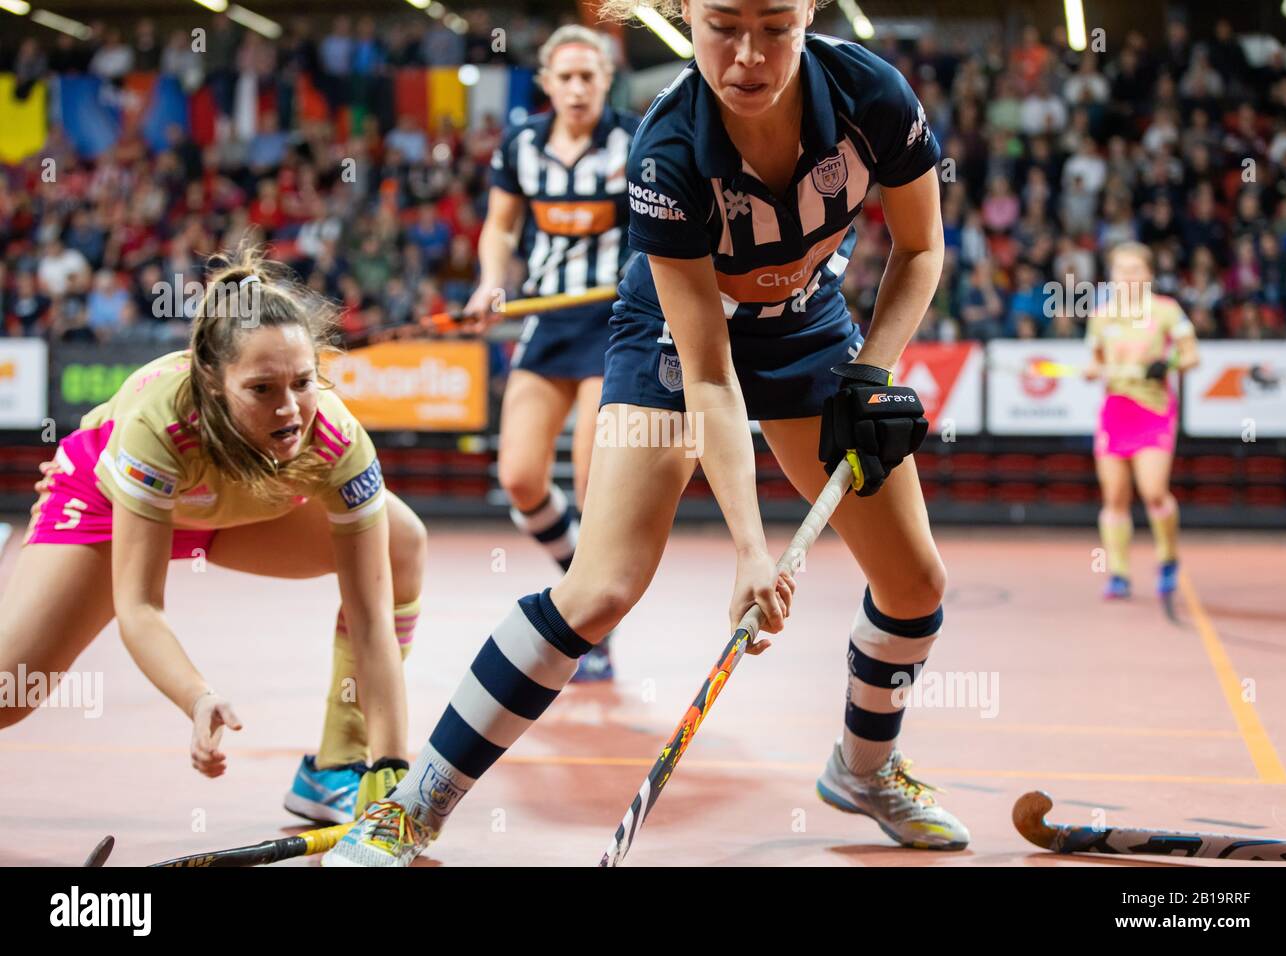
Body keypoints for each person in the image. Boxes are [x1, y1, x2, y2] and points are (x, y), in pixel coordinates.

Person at [325, 0, 966, 866]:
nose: (748, 55)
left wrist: (871, 373)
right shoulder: (667, 149)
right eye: (723, 26)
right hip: (673, 337)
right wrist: (751, 550)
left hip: (810, 331)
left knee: (916, 585)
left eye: (776, 27)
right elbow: (710, 373)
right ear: (685, 15)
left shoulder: (872, 95)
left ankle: (864, 769)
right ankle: (413, 807)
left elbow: (920, 248)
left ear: (810, 11)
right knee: (599, 590)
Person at [1, 249, 427, 825]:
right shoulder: (158, 424)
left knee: (402, 544)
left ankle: (337, 767)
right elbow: (140, 607)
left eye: (303, 383)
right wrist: (197, 696)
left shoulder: (336, 438)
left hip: (240, 509)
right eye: (262, 388)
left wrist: (392, 768)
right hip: (113, 503)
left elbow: (373, 617)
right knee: (9, 694)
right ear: (213, 382)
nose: (290, 410)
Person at [464, 25, 641, 681]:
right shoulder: (521, 145)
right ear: (546, 83)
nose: (576, 88)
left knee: (595, 483)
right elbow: (501, 225)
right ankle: (580, 577)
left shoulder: (634, 140)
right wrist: (491, 282)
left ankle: (589, 620)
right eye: (564, 77)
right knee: (519, 477)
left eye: (588, 76)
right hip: (547, 318)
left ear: (606, 81)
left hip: (615, 321)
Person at [1085, 242, 1199, 601]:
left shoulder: (1166, 310)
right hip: (1115, 411)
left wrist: (1167, 365)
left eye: (1135, 270)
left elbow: (1191, 356)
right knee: (1114, 497)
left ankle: (1168, 559)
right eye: (1121, 270)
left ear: (1149, 274)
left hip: (1153, 409)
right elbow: (1096, 361)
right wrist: (1093, 370)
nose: (1128, 276)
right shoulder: (1101, 316)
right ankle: (1118, 573)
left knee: (1153, 492)